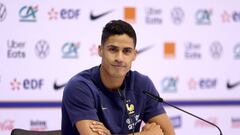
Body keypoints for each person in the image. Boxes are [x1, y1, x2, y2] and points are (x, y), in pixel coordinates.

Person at [61, 19, 175, 135]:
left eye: (126, 51)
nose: (119, 58)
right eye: (112, 49)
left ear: (134, 55)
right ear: (100, 50)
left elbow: (169, 134)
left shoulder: (142, 85)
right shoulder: (80, 87)